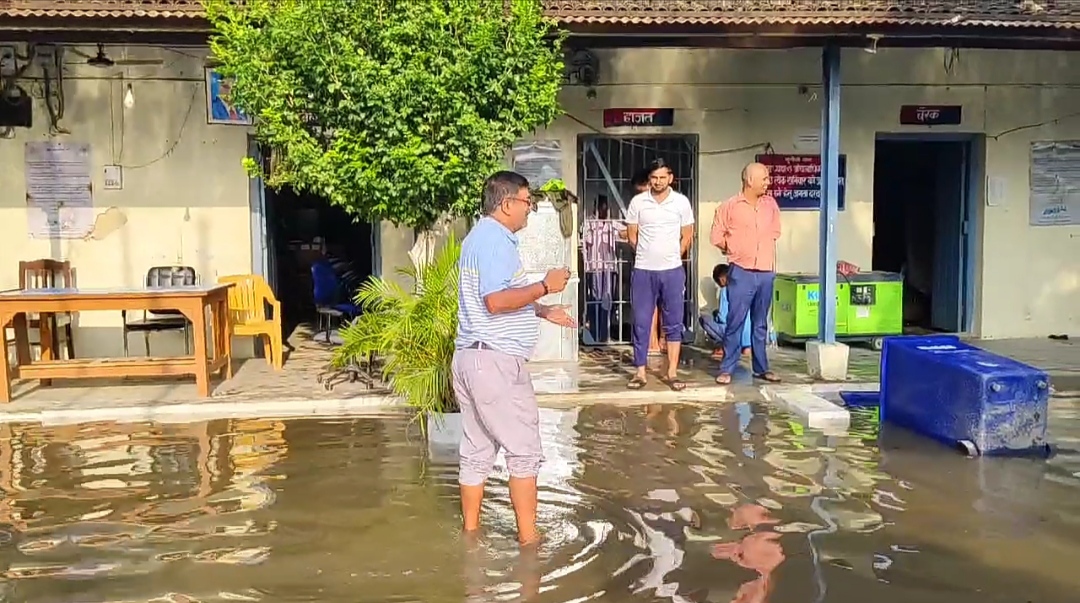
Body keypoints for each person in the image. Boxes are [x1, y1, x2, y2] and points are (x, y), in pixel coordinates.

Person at [453, 170, 577, 545]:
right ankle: (529, 543)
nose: (530, 209)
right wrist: (545, 285)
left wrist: (540, 309)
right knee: (524, 452)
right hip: (496, 363)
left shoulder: (479, 237)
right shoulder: (495, 241)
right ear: (507, 203)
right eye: (528, 202)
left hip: (471, 359)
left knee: (476, 452)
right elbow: (494, 302)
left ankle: (471, 535)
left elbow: (499, 296)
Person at [625, 158, 695, 391]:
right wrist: (646, 253)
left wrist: (675, 253)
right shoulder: (638, 202)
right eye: (654, 178)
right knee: (642, 322)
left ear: (671, 178)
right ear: (649, 180)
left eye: (662, 177)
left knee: (674, 323)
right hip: (644, 271)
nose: (658, 182)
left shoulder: (681, 203)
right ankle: (640, 372)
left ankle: (672, 373)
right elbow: (632, 234)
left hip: (672, 271)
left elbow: (687, 235)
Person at [711, 162, 782, 385]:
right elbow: (716, 235)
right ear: (749, 180)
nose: (768, 182)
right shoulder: (729, 206)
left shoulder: (771, 204)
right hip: (740, 271)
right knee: (735, 321)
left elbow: (775, 232)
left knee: (761, 323)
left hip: (765, 272)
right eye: (764, 178)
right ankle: (727, 369)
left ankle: (761, 368)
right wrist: (731, 247)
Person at [631, 169, 668, 356]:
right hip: (646, 264)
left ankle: (663, 339)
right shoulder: (639, 206)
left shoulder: (672, 205)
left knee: (667, 305)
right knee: (649, 306)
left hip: (669, 264)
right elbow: (631, 232)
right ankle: (652, 340)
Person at [699, 263, 751, 361]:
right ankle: (747, 348)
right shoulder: (746, 287)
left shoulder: (725, 290)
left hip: (735, 333)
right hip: (750, 333)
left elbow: (723, 318)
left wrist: (716, 316)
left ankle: (727, 347)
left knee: (704, 319)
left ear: (722, 279)